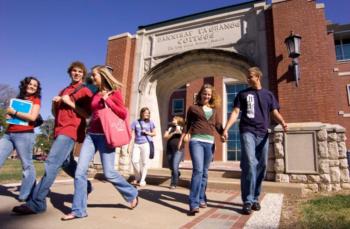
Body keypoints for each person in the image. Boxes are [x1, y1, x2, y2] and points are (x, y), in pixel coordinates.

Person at [12, 61, 93, 214]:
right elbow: (57, 114)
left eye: (80, 72)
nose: (76, 73)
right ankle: (86, 185)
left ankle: (37, 203)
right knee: (66, 163)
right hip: (59, 130)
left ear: (83, 74)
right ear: (70, 73)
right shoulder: (64, 90)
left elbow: (86, 115)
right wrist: (54, 104)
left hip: (71, 130)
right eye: (74, 71)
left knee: (51, 163)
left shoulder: (85, 90)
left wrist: (69, 102)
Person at [61, 65, 138, 220]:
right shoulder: (95, 93)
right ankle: (78, 210)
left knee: (109, 173)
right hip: (91, 135)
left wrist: (108, 99)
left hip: (106, 136)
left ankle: (131, 193)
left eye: (94, 75)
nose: (92, 77)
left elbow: (123, 113)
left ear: (102, 76)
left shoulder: (114, 92)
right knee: (80, 172)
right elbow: (88, 109)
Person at [222, 67, 288, 215]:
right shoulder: (242, 94)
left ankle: (255, 198)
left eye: (250, 76)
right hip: (247, 131)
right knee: (250, 163)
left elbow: (274, 112)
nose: (248, 79)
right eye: (247, 76)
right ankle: (247, 200)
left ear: (258, 77)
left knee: (262, 166)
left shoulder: (268, 95)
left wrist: (283, 122)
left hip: (263, 133)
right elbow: (235, 112)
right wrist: (226, 129)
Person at [178, 84, 224, 216]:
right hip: (196, 141)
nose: (207, 96)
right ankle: (193, 203)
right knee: (198, 170)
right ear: (201, 94)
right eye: (205, 93)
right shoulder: (193, 108)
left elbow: (218, 125)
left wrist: (223, 134)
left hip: (209, 143)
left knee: (204, 172)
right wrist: (182, 139)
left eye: (209, 94)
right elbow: (187, 125)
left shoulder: (214, 110)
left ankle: (202, 197)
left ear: (211, 96)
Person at [0, 76, 41, 201]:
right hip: (9, 134)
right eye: (30, 84)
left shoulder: (36, 100)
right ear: (25, 85)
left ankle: (25, 195)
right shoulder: (17, 99)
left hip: (25, 134)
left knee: (27, 165)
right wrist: (9, 114)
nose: (32, 86)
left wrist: (15, 113)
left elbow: (33, 117)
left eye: (35, 85)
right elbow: (11, 116)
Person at [129, 107, 156, 187]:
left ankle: (142, 180)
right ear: (142, 113)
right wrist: (129, 145)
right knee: (134, 161)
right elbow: (132, 134)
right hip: (137, 144)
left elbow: (154, 133)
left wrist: (147, 133)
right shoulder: (135, 122)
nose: (147, 114)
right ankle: (138, 177)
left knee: (144, 162)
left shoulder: (151, 122)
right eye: (146, 112)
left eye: (148, 113)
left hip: (146, 143)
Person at [163, 116, 185, 189]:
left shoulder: (183, 127)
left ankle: (173, 183)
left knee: (175, 166)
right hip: (169, 149)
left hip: (178, 150)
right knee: (171, 166)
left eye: (174, 119)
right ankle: (177, 173)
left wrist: (180, 132)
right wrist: (173, 133)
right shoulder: (170, 127)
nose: (172, 120)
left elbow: (185, 138)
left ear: (178, 121)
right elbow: (165, 137)